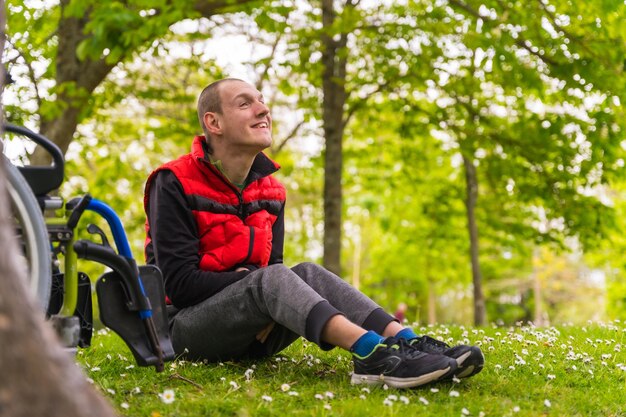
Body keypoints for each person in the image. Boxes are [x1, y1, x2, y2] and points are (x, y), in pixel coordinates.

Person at [143, 78, 484, 388]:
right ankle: (371, 355)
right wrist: (252, 285)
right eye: (245, 103)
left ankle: (405, 341)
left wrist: (261, 298)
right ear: (213, 122)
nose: (263, 109)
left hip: (251, 334)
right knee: (274, 279)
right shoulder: (172, 182)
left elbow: (271, 267)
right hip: (184, 331)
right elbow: (179, 286)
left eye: (262, 101)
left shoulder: (272, 191)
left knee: (306, 272)